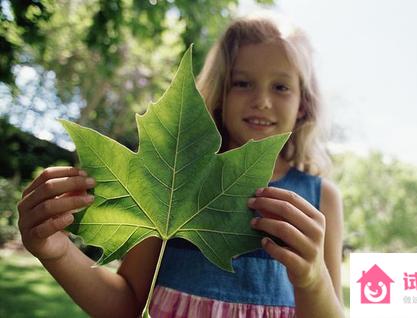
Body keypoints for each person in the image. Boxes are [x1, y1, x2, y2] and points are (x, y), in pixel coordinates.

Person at [17, 12, 344, 318]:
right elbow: (126, 304)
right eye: (242, 83)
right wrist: (56, 251)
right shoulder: (175, 182)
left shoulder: (320, 198)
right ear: (220, 93)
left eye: (281, 87)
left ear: (304, 104)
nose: (262, 100)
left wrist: (313, 279)